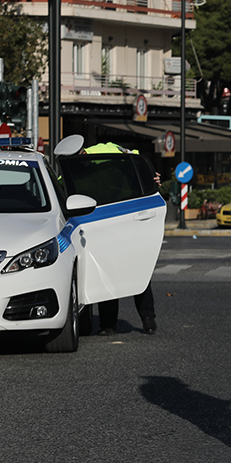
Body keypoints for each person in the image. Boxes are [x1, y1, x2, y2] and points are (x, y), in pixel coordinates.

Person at [82, 141, 159, 336]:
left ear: (84, 150)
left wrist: (149, 176)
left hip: (127, 216)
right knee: (106, 274)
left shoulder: (105, 150)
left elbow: (134, 155)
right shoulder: (69, 172)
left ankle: (148, 319)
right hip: (100, 225)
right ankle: (109, 324)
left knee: (137, 270)